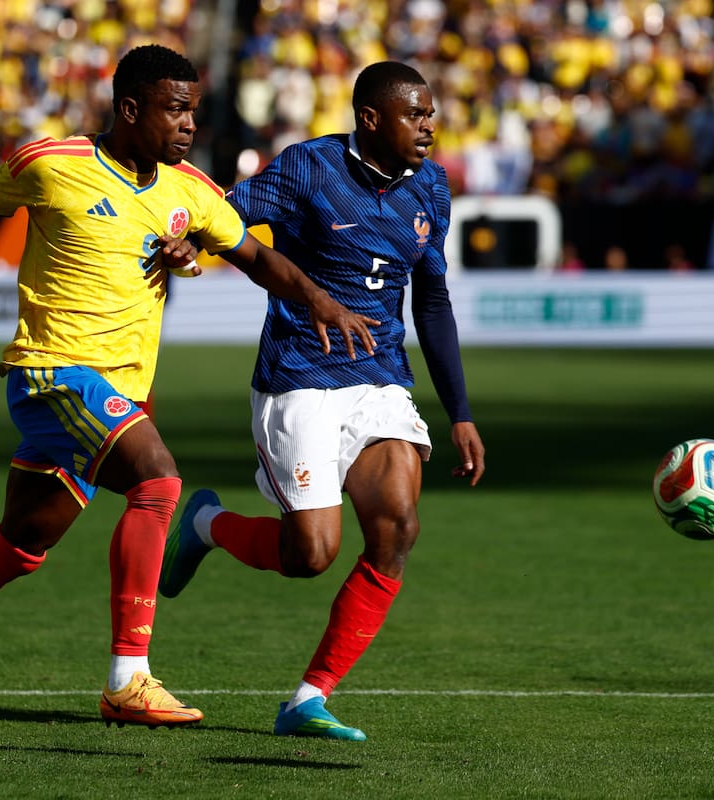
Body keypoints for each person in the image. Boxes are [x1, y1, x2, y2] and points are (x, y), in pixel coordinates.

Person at [0, 44, 377, 729]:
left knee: (20, 547)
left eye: (194, 112)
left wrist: (319, 301)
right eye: (175, 110)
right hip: (50, 373)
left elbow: (258, 255)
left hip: (115, 397)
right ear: (130, 109)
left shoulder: (191, 193)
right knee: (158, 480)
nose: (188, 125)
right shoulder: (52, 165)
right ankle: (129, 679)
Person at [159, 61, 486, 741]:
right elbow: (229, 215)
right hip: (300, 376)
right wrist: (190, 239)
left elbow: (431, 298)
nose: (430, 126)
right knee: (310, 554)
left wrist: (459, 410)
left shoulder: (431, 186)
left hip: (380, 380)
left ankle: (308, 698)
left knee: (397, 527)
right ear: (371, 119)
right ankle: (206, 525)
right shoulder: (309, 168)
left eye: (431, 114)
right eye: (416, 115)